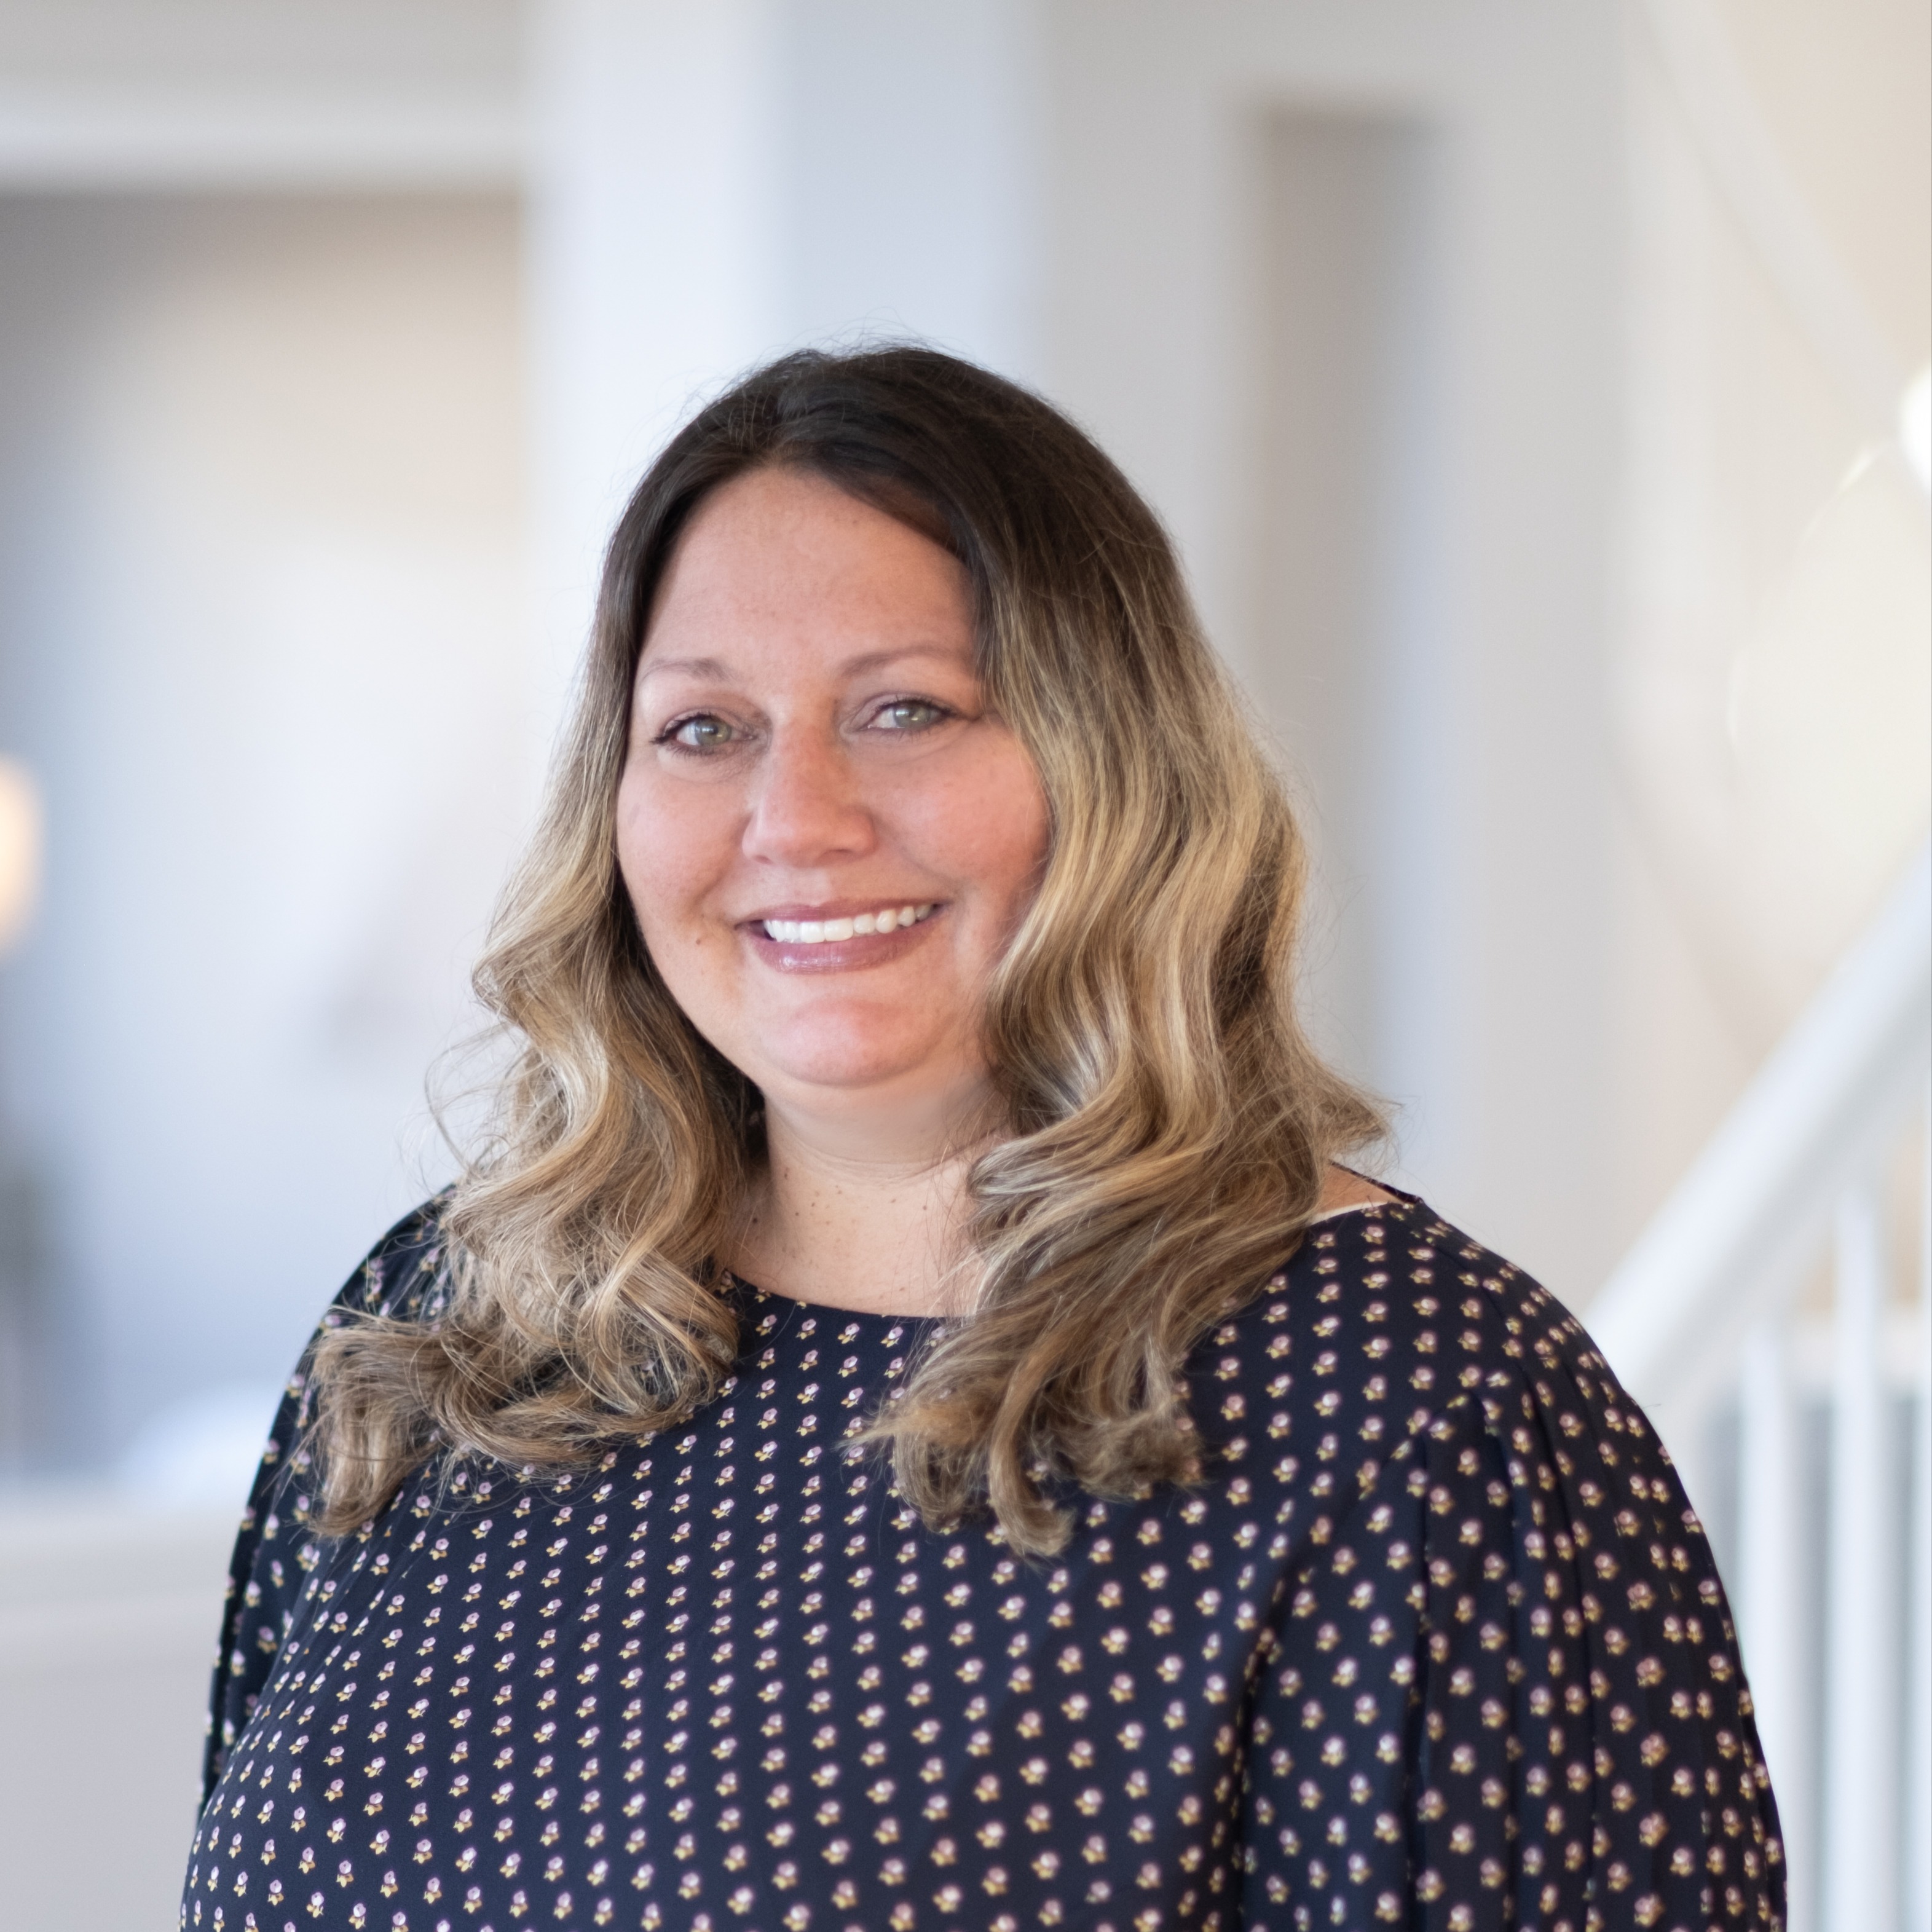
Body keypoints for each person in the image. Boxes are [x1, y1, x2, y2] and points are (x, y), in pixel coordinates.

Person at [181, 348, 1783, 1932]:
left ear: (1117, 773)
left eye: (905, 709)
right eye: (703, 729)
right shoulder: (446, 1327)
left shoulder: (1414, 1407)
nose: (794, 818)